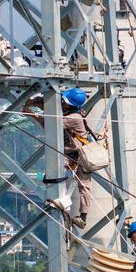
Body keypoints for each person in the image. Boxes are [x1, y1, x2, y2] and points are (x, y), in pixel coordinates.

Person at [23, 87, 92, 227]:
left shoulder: (75, 118)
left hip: (79, 155)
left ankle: (82, 217)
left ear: (71, 105)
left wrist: (30, 113)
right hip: (67, 152)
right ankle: (54, 196)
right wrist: (34, 101)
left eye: (65, 101)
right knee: (55, 174)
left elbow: (49, 124)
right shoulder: (70, 109)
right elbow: (51, 106)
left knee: (83, 185)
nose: (62, 102)